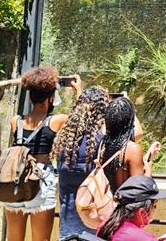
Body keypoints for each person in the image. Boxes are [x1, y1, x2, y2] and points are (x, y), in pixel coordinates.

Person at [4, 66, 82, 241]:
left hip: (14, 182)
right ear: (51, 97)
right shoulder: (56, 121)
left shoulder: (15, 121)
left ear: (30, 97)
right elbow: (81, 121)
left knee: (14, 239)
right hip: (39, 182)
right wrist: (79, 92)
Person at [52, 85, 110, 238]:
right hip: (94, 226)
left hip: (68, 228)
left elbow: (83, 113)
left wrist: (81, 95)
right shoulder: (100, 141)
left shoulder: (64, 139)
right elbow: (137, 132)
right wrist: (125, 101)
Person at [97, 175, 166, 241]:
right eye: (154, 206)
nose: (155, 210)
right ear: (141, 213)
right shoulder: (141, 237)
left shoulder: (106, 225)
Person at [101, 94, 161, 192]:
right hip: (124, 205)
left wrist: (147, 156)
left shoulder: (102, 146)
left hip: (107, 203)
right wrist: (148, 167)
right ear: (130, 121)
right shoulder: (132, 149)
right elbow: (139, 189)